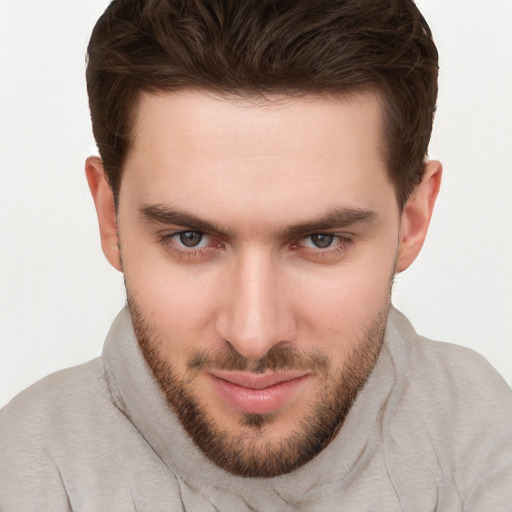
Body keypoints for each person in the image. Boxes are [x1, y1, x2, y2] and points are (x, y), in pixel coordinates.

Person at [1, 0, 511, 509]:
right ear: (111, 217)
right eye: (190, 238)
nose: (253, 335)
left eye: (321, 240)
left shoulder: (487, 441)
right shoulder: (25, 477)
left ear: (413, 220)